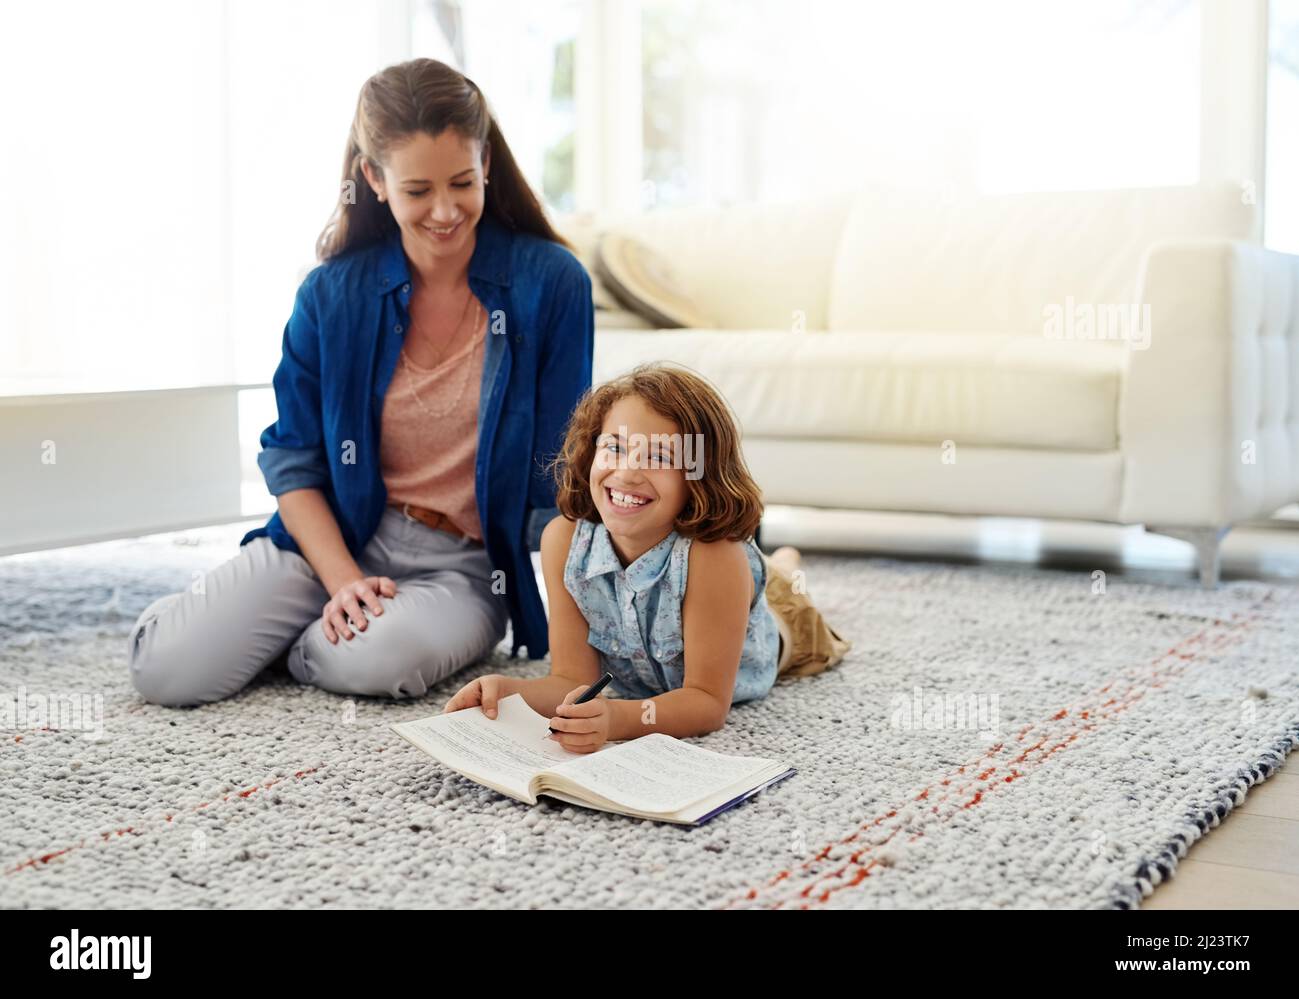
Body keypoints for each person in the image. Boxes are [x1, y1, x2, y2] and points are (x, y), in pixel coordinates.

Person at [127, 58, 593, 706]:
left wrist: (589, 629)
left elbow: (560, 479)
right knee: (167, 669)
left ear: (487, 162)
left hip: (459, 569)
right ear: (374, 178)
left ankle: (304, 644)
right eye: (417, 189)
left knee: (378, 659)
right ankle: (300, 619)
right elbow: (293, 462)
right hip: (332, 540)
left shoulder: (553, 284)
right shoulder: (330, 294)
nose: (444, 210)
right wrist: (342, 580)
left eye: (461, 181)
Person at [443, 363, 851, 751]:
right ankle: (779, 564)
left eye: (658, 457)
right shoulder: (563, 541)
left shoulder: (716, 559)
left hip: (783, 628)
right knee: (772, 573)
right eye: (614, 448)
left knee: (790, 599)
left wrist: (617, 719)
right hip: (725, 590)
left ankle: (784, 567)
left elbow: (707, 702)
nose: (626, 472)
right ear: (590, 453)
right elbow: (570, 678)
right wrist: (507, 690)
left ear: (699, 475)